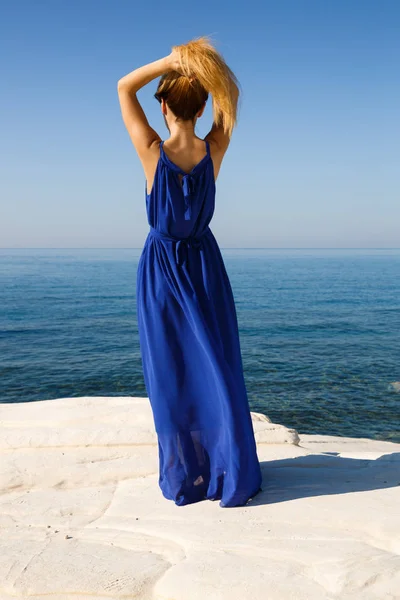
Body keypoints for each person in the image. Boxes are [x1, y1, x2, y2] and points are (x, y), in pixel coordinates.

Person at [117, 36, 262, 507]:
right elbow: (233, 97)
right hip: (204, 267)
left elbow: (123, 87)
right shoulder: (213, 149)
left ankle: (185, 477)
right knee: (218, 366)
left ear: (163, 108)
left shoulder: (151, 152)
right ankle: (228, 468)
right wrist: (205, 68)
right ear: (201, 109)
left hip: (160, 270)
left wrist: (170, 60)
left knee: (171, 371)